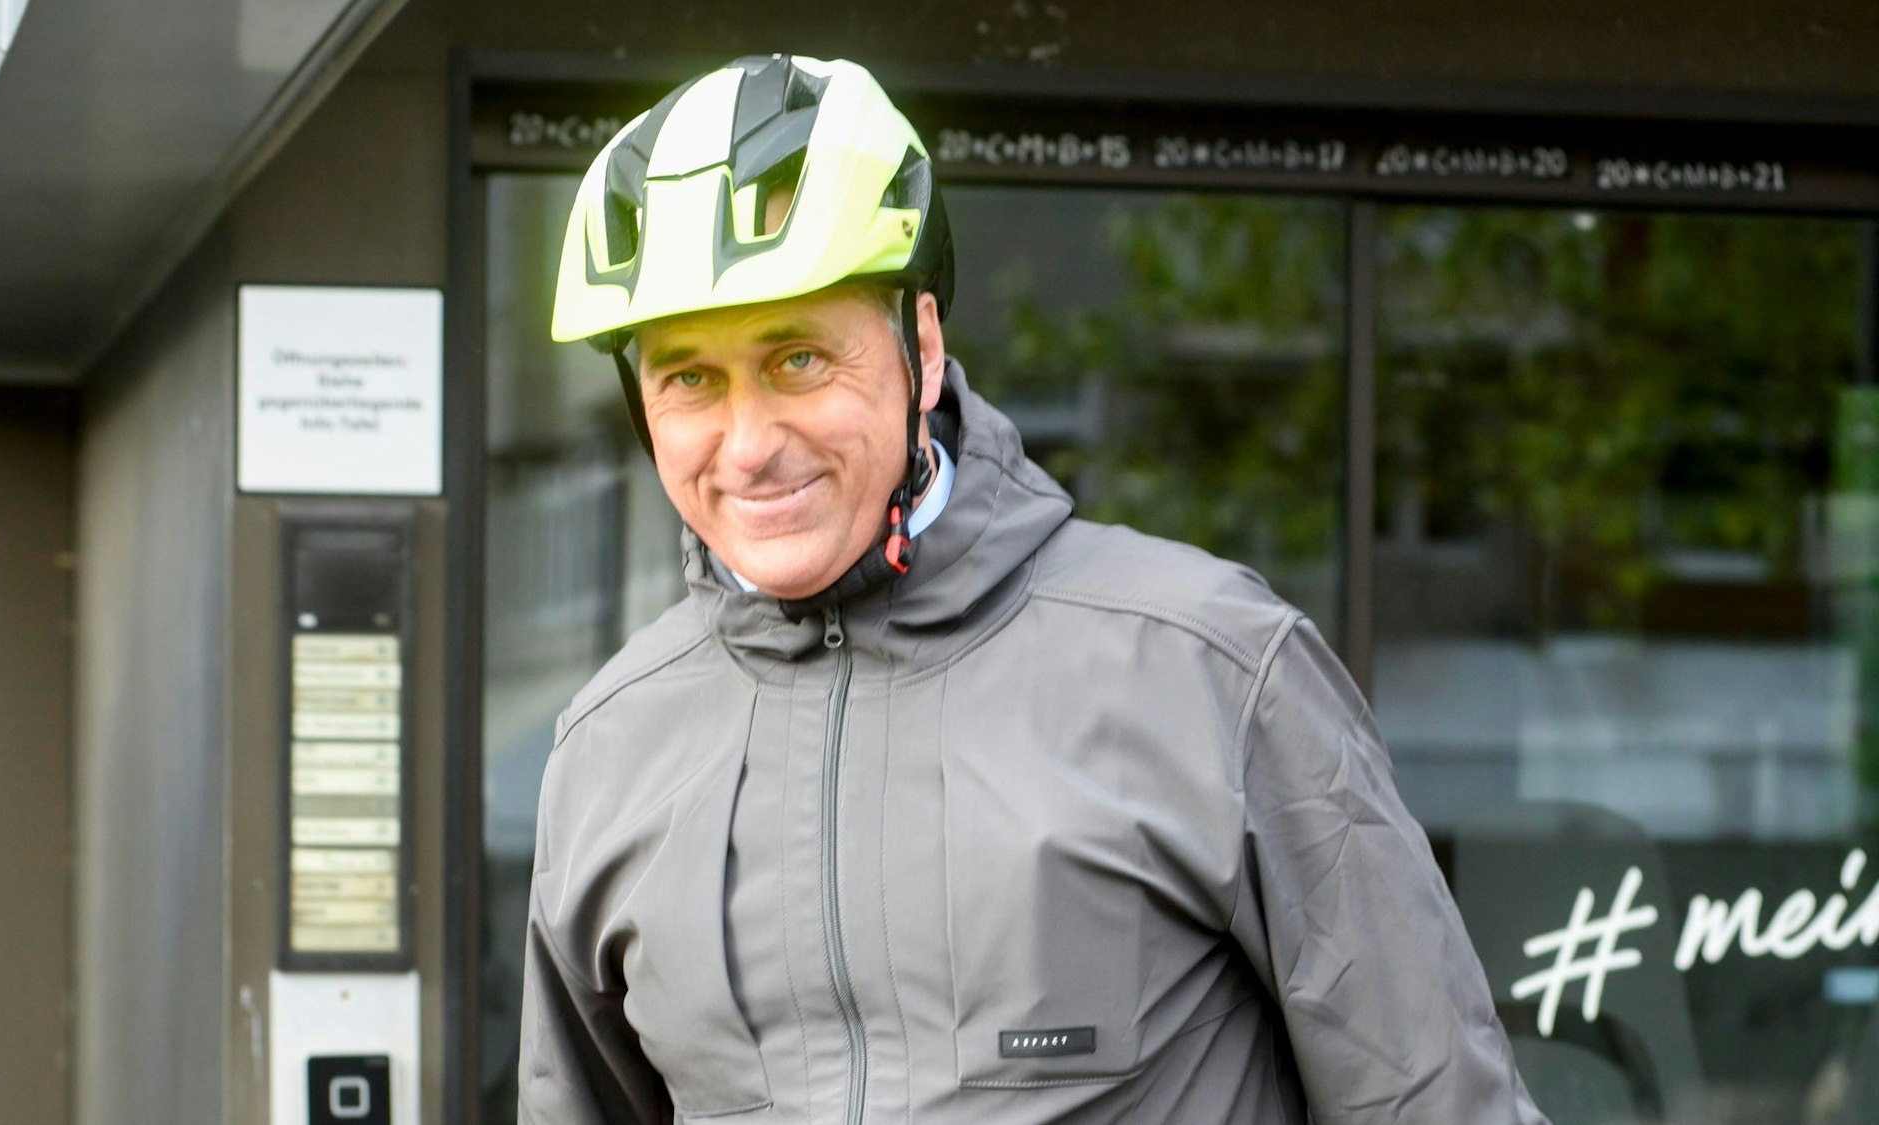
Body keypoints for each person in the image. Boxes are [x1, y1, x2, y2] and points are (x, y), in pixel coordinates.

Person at [520, 53, 1547, 1124]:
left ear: (919, 344)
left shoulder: (1213, 668)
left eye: (796, 361)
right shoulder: (606, 748)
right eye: (688, 378)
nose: (748, 443)